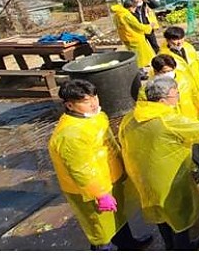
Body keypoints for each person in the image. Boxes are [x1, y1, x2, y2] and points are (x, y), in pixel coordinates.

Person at [119, 76, 199, 250]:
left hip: (142, 177)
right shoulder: (167, 120)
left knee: (160, 215)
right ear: (162, 100)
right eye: (175, 94)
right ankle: (183, 248)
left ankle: (169, 246)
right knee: (179, 216)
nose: (178, 97)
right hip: (168, 178)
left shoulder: (131, 117)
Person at [48, 80, 152, 251]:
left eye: (94, 97)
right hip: (90, 190)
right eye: (86, 101)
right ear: (70, 105)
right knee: (100, 229)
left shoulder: (96, 116)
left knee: (118, 217)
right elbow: (81, 171)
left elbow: (111, 144)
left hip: (110, 177)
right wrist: (100, 194)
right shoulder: (70, 135)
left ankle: (127, 244)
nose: (93, 103)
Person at [159, 26, 199, 118]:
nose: (179, 42)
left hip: (196, 87)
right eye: (175, 40)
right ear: (168, 40)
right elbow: (159, 79)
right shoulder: (163, 58)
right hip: (182, 93)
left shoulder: (188, 48)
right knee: (189, 116)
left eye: (181, 38)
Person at [143, 54, 199, 121]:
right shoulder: (150, 87)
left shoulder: (184, 77)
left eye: (170, 70)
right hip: (170, 122)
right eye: (164, 72)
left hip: (190, 117)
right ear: (155, 71)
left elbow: (195, 94)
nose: (169, 73)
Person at [110, 0, 155, 68]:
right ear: (131, 7)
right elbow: (138, 26)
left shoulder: (117, 15)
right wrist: (149, 26)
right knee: (141, 56)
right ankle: (140, 70)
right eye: (135, 7)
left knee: (134, 55)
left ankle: (140, 69)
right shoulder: (127, 16)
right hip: (134, 38)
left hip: (126, 38)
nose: (135, 9)